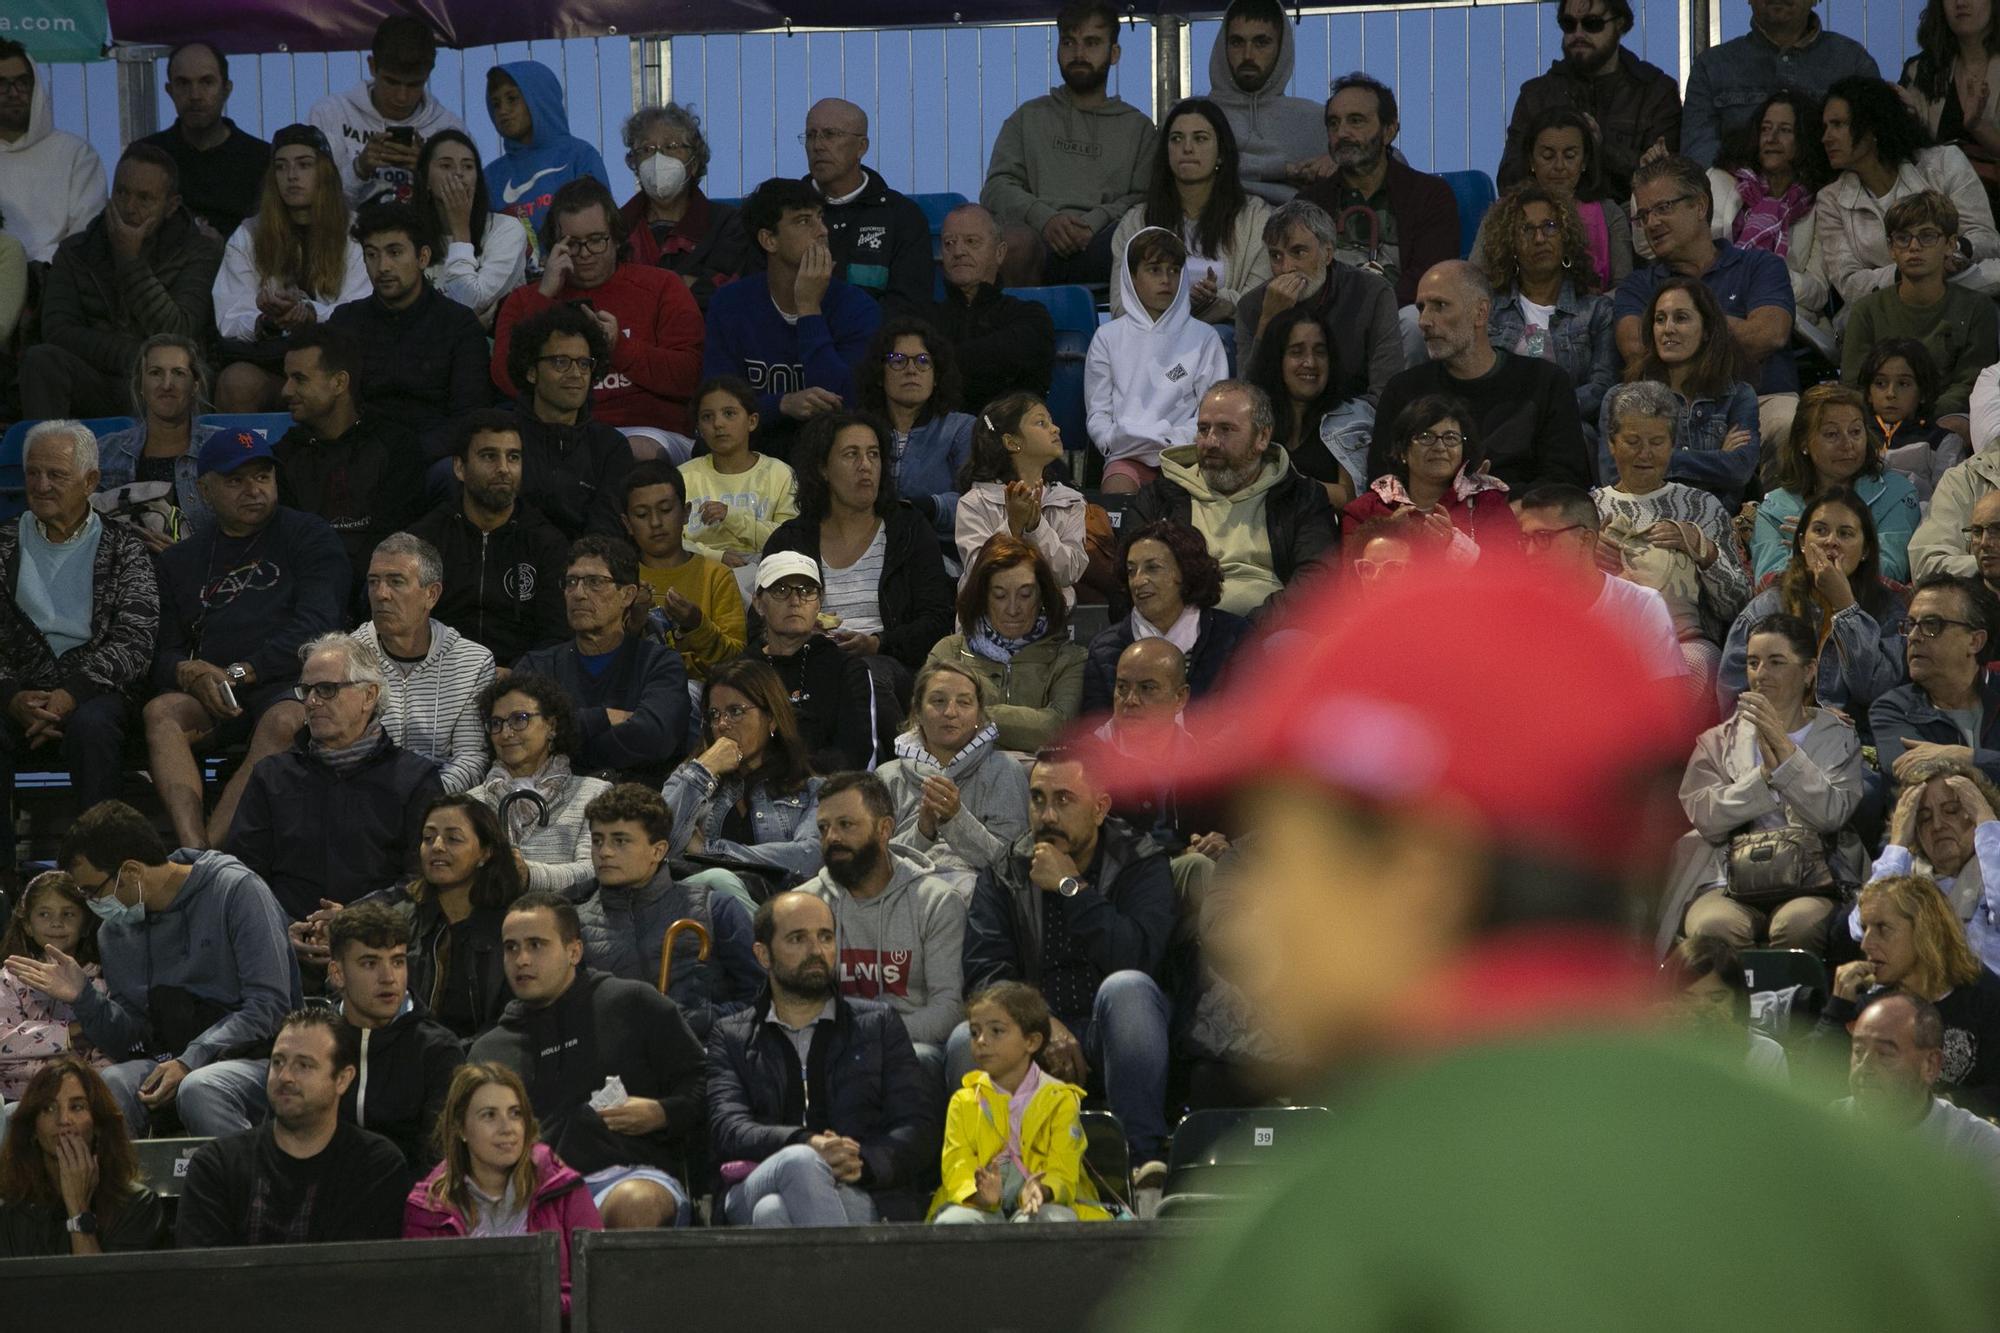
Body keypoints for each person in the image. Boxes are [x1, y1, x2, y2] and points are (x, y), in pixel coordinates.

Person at [1097, 553, 2000, 1333]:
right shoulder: (1913, 1205)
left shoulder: (1313, 1243)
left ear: (1422, 870)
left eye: (1282, 851)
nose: (1253, 916)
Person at [960, 747, 1176, 1178]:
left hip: (1112, 1030)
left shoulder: (1141, 861)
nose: (1047, 815)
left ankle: (1141, 1164)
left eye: (1063, 800)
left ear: (1099, 809)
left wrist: (1070, 886)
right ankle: (988, 1175)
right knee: (957, 1044)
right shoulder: (1006, 870)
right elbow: (985, 974)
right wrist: (1039, 1021)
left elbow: (1139, 957)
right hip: (1036, 1032)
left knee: (1127, 988)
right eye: (1038, 799)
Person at [43, 800, 301, 1140]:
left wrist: (192, 1059)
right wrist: (84, 998)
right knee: (112, 1083)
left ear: (132, 872)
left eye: (92, 891)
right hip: (171, 1060)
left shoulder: (236, 890)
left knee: (200, 1088)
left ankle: (252, 1190)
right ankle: (132, 1194)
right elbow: (135, 1040)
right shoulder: (114, 932)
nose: (90, 903)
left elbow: (269, 1005)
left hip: (263, 1058)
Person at [145, 428, 350, 849]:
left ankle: (209, 859)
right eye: (235, 481)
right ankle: (191, 848)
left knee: (284, 721)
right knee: (162, 711)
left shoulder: (308, 535)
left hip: (287, 683)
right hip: (215, 693)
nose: (253, 490)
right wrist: (188, 673)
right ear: (204, 490)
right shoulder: (181, 560)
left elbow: (318, 626)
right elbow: (160, 652)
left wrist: (239, 673)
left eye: (262, 477)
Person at [470, 891, 707, 1229]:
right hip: (522, 1193)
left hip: (622, 1176)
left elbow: (705, 1083)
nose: (521, 959)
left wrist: (663, 1113)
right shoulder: (489, 1050)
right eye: (511, 948)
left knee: (637, 1203)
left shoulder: (633, 1004)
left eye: (536, 945)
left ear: (574, 951)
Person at [706, 891, 940, 1225]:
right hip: (756, 1179)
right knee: (800, 1162)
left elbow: (917, 1126)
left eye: (826, 937)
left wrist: (864, 1162)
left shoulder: (878, 1025)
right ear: (763, 955)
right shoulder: (731, 1036)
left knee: (772, 1213)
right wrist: (807, 1144)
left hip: (860, 1186)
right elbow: (729, 1128)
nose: (816, 951)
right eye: (797, 938)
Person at [1666, 611, 1866, 953]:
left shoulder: (1837, 737)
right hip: (1727, 877)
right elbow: (1706, 818)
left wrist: (1786, 755)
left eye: (1776, 662)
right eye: (1753, 662)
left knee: (1798, 925)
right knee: (1714, 925)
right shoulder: (1716, 741)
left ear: (1809, 671)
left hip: (1814, 878)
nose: (1761, 674)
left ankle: (1796, 1005)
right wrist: (1763, 778)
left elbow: (1832, 813)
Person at [0, 423, 158, 845]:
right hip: (17, 694)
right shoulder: (3, 544)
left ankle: (98, 865)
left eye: (56, 475)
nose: (41, 485)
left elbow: (135, 640)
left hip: (95, 694)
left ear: (90, 481)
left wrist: (72, 692)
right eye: (33, 473)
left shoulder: (125, 546)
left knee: (93, 725)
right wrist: (11, 695)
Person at [224, 631, 442, 921]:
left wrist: (353, 921)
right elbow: (244, 876)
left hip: (380, 941)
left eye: (326, 689)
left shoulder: (415, 780)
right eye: (307, 690)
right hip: (284, 943)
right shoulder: (271, 776)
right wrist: (287, 931)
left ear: (369, 696)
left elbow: (423, 880)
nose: (312, 702)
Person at [22, 145, 224, 419]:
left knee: (179, 373)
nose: (129, 207)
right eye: (121, 192)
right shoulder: (76, 251)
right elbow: (59, 330)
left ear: (171, 205)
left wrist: (130, 262)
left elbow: (180, 332)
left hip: (163, 383)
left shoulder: (198, 251)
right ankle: (48, 456)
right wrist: (136, 357)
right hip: (99, 378)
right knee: (42, 360)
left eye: (144, 198)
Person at [176, 1009, 408, 1247]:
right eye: (278, 1062)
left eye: (304, 1065)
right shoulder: (216, 1166)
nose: (285, 1076)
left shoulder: (375, 1167)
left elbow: (362, 1278)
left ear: (342, 1079)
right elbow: (203, 1279)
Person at [491, 176, 705, 434]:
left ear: (615, 237)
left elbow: (690, 376)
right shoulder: (525, 300)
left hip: (645, 429)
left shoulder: (663, 286)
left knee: (630, 452)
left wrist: (620, 348)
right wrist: (544, 297)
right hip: (554, 434)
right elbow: (506, 379)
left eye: (595, 240)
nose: (584, 253)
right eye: (572, 243)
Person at [1620, 154, 1798, 452]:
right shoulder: (1638, 285)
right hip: (1673, 406)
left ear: (1700, 205)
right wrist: (1726, 328)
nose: (1651, 223)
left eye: (1663, 208)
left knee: (1787, 423)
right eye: (1643, 215)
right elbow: (1638, 351)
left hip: (1760, 399)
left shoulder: (1759, 266)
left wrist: (1688, 329)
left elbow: (1769, 334)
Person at [1370, 261, 1594, 494]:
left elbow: (1566, 485)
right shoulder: (1403, 391)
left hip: (1522, 524)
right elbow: (1383, 485)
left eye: (1440, 305)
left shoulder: (1545, 382)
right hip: (1427, 524)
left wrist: (1490, 509)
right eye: (1421, 308)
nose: (1424, 321)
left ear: (1481, 313)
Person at [799, 771, 967, 1079]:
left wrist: (869, 1035)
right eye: (823, 828)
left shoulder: (936, 902)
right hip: (828, 1045)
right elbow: (792, 1001)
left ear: (884, 829)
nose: (831, 837)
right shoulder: (805, 905)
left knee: (919, 1058)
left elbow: (948, 1009)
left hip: (911, 1044)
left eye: (845, 825)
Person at [765, 413, 958, 678]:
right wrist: (798, 633)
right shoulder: (790, 539)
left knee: (861, 675)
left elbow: (937, 619)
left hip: (887, 664)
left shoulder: (908, 528)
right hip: (804, 661)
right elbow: (761, 623)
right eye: (851, 455)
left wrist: (879, 642)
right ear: (823, 469)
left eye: (874, 454)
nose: (865, 465)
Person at [1127, 379, 1339, 618]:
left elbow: (1317, 581)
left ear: (1262, 437)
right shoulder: (1159, 497)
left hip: (1269, 637)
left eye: (1225, 429)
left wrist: (1246, 632)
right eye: (1203, 429)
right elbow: (1129, 579)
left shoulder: (1301, 496)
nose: (1210, 442)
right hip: (1180, 633)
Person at [404, 1062, 604, 1314]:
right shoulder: (427, 1208)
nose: (507, 1128)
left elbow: (600, 1290)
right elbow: (423, 1305)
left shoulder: (564, 1189)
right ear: (460, 1128)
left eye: (515, 1113)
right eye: (489, 1115)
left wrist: (530, 1302)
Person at [702, 177, 882, 455]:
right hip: (754, 449)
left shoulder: (857, 307)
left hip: (829, 453)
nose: (822, 231)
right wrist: (782, 404)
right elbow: (717, 406)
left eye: (821, 218)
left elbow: (845, 406)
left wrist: (809, 308)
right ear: (769, 240)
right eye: (803, 221)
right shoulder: (730, 305)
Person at [1592, 382, 1754, 691]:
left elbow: (1737, 604)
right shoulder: (1592, 509)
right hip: (1607, 643)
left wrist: (1702, 549)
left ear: (1672, 445)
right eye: (1632, 441)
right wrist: (1585, 555)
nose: (1645, 453)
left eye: (1657, 441)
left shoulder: (1701, 507)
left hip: (1685, 644)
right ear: (1612, 444)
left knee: (1690, 664)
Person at [981, 0, 1154, 288]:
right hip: (1036, 239)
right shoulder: (1028, 117)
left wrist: (1095, 220)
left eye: (1092, 43)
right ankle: (1021, 330)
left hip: (1106, 241)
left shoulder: (1139, 128)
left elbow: (1144, 199)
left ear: (1114, 54)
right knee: (1011, 244)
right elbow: (996, 188)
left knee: (1146, 242)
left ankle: (1137, 335)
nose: (1079, 53)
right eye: (1068, 43)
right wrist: (1046, 219)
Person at [210, 123, 372, 412]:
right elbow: (230, 316)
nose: (292, 176)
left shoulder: (355, 231)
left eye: (304, 165)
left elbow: (361, 310)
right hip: (272, 366)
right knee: (236, 382)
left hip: (335, 366)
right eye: (281, 167)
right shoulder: (249, 234)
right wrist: (266, 320)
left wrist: (311, 314)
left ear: (325, 172)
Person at [572, 783, 761, 1028]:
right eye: (597, 841)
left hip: (705, 1055)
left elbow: (762, 997)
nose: (604, 852)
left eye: (620, 841)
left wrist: (696, 1022)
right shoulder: (573, 924)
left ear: (658, 850)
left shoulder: (716, 909)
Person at [1810, 873, 2000, 1113]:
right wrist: (1836, 1009)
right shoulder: (1872, 1007)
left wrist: (1939, 1110)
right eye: (1865, 928)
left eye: (1882, 928)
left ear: (1926, 930)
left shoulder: (1987, 999)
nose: (1866, 944)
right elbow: (1814, 1086)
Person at [346, 794, 524, 1044]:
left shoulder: (511, 927)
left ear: (485, 853)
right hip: (401, 1055)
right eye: (428, 838)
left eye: (453, 838)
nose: (437, 846)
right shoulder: (398, 918)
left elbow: (513, 1018)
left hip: (483, 1062)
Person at [1719, 487, 1908, 722]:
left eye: (1845, 533)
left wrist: (1846, 607)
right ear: (1801, 542)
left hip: (1860, 741)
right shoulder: (1765, 608)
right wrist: (1807, 719)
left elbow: (1875, 692)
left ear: (1865, 550)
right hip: (1775, 738)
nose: (1831, 542)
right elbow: (1734, 705)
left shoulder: (1889, 610)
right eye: (1820, 530)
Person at [512, 535, 692, 778]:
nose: (578, 594)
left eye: (594, 582)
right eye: (571, 581)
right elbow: (518, 736)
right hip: (553, 804)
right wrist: (603, 717)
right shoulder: (538, 666)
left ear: (628, 595)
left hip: (637, 805)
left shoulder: (659, 663)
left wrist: (557, 740)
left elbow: (655, 738)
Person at [271, 326, 429, 602]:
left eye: (299, 379)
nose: (286, 390)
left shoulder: (397, 446)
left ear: (339, 383)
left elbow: (397, 539)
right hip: (308, 595)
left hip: (383, 594)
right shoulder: (283, 455)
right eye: (287, 378)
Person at [930, 981, 1107, 1224]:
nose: (981, 1040)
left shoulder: (1061, 1099)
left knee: (1048, 1221)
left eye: (996, 1031)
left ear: (1031, 1042)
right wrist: (979, 1194)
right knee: (956, 1223)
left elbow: (1063, 1167)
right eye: (974, 1032)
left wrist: (1042, 1190)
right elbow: (957, 1163)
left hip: (1042, 1196)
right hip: (981, 1201)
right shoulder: (963, 1100)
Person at [1816, 76, 2000, 307]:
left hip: (1963, 287)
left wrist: (1953, 252)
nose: (1826, 138)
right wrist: (1912, 269)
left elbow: (1987, 238)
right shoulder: (1830, 199)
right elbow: (1850, 283)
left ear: (1872, 126)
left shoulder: (1944, 162)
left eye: (1838, 125)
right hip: (1889, 305)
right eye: (1825, 127)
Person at [409, 409, 572, 668]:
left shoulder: (547, 543)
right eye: (489, 456)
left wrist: (517, 675)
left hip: (521, 682)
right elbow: (405, 627)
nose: (504, 469)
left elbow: (557, 635)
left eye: (513, 457)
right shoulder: (425, 540)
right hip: (438, 678)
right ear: (459, 467)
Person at [1839, 191, 1998, 444]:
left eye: (1927, 236)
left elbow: (1972, 383)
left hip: (1945, 420)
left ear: (1949, 244)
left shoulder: (1978, 308)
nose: (1914, 247)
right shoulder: (1866, 311)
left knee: (1961, 429)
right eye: (1903, 238)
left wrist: (1920, 417)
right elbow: (1854, 385)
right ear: (1891, 248)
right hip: (1877, 421)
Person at [327, 200, 491, 441]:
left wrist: (410, 459)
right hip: (360, 454)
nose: (382, 266)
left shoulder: (458, 324)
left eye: (395, 252)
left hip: (433, 455)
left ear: (423, 257)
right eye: (372, 255)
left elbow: (469, 415)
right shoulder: (345, 322)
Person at [1296, 71, 1459, 311]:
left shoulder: (1429, 196)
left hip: (1403, 317)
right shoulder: (1309, 204)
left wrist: (1373, 314)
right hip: (1327, 323)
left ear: (1389, 130)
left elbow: (1431, 277)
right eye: (1334, 123)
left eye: (1356, 121)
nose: (1341, 133)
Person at [323, 901, 464, 1176]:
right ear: (338, 974)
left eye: (398, 961)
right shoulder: (314, 1042)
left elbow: (440, 1163)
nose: (389, 978)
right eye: (370, 963)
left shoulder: (437, 1050)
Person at [1086, 227, 1230, 492]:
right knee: (1118, 494)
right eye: (1154, 269)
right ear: (1131, 277)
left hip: (1187, 458)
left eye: (1174, 270)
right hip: (1124, 456)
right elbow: (1098, 412)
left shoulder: (1205, 338)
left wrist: (1171, 441)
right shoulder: (1107, 337)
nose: (1166, 279)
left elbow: (1211, 412)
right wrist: (1111, 440)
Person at [354, 531, 496, 797]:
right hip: (363, 801)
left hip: (438, 804)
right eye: (374, 582)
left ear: (431, 594)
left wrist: (421, 796)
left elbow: (471, 758)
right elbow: (335, 748)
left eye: (396, 581)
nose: (381, 594)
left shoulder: (473, 662)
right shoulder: (347, 656)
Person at [662, 659, 826, 890]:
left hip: (778, 912)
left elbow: (809, 858)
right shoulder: (688, 778)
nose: (722, 724)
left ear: (771, 718)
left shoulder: (812, 789)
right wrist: (704, 770)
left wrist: (707, 851)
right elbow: (653, 846)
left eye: (735, 712)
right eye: (714, 714)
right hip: (702, 909)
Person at [1109, 96, 1272, 326]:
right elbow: (1119, 306)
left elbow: (1260, 300)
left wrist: (1217, 300)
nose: (1187, 148)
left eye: (1200, 138)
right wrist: (1182, 304)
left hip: (1226, 341)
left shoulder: (1256, 217)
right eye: (1176, 139)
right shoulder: (1137, 222)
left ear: (1221, 153)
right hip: (1153, 347)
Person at [1233, 200, 1404, 419]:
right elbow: (1248, 398)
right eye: (1276, 256)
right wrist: (1268, 321)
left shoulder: (1372, 293)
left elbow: (1386, 392)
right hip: (1282, 422)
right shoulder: (1252, 305)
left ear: (1328, 252)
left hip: (1352, 419)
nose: (1286, 268)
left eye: (1299, 252)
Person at [1497, 0, 1682, 200]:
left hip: (1636, 221)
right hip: (1553, 220)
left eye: (1592, 23)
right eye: (1568, 24)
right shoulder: (1536, 94)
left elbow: (1667, 181)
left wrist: (1601, 148)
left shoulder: (1656, 91)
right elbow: (1509, 180)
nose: (1578, 34)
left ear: (1619, 24)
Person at [1478, 184, 1619, 445]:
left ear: (1566, 236)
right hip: (1498, 429)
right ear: (1511, 244)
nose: (1540, 238)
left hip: (1566, 427)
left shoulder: (1597, 311)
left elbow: (1603, 388)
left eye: (1550, 226)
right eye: (1527, 229)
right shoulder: (1489, 310)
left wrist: (1545, 410)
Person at [877, 662, 1032, 899]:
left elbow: (1011, 867)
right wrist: (922, 831)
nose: (950, 712)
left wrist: (956, 818)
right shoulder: (887, 776)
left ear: (979, 714)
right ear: (917, 710)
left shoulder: (1004, 770)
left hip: (978, 901)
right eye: (938, 701)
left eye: (964, 702)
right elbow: (873, 867)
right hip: (902, 897)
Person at [1604, 276, 1761, 506]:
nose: (1668, 329)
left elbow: (1739, 470)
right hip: (1644, 522)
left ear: (1707, 329)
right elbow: (1613, 476)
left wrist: (1653, 462)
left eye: (1681, 318)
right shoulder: (1619, 399)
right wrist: (1717, 460)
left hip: (1715, 526)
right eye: (1660, 319)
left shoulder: (1738, 396)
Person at [927, 536, 1086, 755]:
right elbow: (929, 723)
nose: (1013, 609)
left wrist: (971, 714)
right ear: (983, 596)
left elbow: (1056, 729)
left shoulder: (1070, 659)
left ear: (1042, 595)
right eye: (1000, 595)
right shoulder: (950, 653)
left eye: (1025, 595)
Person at [1752, 383, 1922, 583]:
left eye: (1856, 431)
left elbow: (1889, 570)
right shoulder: (1774, 508)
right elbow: (1768, 579)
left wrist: (1810, 550)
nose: (1848, 444)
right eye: (1832, 434)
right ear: (1803, 442)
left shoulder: (1897, 494)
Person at [1517, 484, 1688, 682]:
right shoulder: (1521, 612)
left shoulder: (1641, 606)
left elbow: (1670, 702)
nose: (1530, 552)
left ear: (1585, 539)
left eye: (1542, 537)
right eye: (1524, 539)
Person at [1080, 519, 1252, 714]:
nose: (1138, 580)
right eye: (1131, 571)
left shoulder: (1235, 636)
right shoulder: (1105, 649)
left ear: (1186, 571)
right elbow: (1095, 729)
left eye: (1152, 568)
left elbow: (1244, 722)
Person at [501, 300, 640, 541]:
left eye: (584, 363)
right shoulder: (501, 436)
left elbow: (606, 532)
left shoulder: (609, 446)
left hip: (582, 569)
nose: (576, 374)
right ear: (531, 371)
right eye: (560, 362)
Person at [1681, 0, 1880, 169]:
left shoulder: (1853, 62)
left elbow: (1874, 147)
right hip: (1736, 208)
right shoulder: (1711, 66)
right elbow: (1699, 158)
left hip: (1835, 207)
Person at [0, 1057, 166, 1256]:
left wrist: (78, 1210)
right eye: (49, 1108)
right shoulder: (10, 1211)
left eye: (77, 1107)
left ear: (97, 1124)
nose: (63, 1120)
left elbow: (96, 1287)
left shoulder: (138, 1206)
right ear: (33, 1128)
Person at [1700, 91, 1835, 333]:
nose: (1771, 138)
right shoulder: (1720, 181)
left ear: (1804, 139)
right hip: (1712, 304)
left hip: (1785, 319)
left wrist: (1763, 274)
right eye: (1765, 129)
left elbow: (1818, 292)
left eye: (1784, 130)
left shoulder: (1822, 202)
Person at [471, 673, 611, 896]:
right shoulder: (471, 803)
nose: (505, 733)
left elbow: (596, 870)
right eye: (496, 723)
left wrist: (529, 875)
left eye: (520, 719)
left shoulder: (594, 794)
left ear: (551, 725)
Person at [1840, 991, 2000, 1183]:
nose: (1865, 1066)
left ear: (1931, 1065)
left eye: (1884, 1054)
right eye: (1858, 1050)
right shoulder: (1820, 1131)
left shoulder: (1978, 1149)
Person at [742, 552, 879, 774]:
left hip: (825, 795)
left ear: (819, 604)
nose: (795, 601)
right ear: (758, 604)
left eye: (807, 591)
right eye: (781, 590)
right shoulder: (741, 672)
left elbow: (856, 755)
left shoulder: (847, 669)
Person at [307, 16, 464, 208]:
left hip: (425, 237)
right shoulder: (329, 114)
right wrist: (359, 169)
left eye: (414, 84)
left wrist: (427, 172)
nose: (401, 97)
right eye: (391, 82)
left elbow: (467, 210)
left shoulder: (449, 129)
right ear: (372, 66)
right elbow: (310, 203)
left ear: (430, 72)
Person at [1343, 395, 1520, 562]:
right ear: (1402, 451)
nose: (1440, 447)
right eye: (1426, 437)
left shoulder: (1488, 504)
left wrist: (1455, 546)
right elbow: (1350, 581)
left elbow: (1511, 576)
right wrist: (1390, 536)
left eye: (1451, 438)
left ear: (1463, 450)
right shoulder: (1365, 510)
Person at [953, 394, 1088, 605]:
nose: (1055, 429)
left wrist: (1036, 527)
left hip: (1050, 628)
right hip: (988, 626)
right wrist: (1012, 527)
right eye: (1041, 423)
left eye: (1051, 422)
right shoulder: (976, 502)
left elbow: (1069, 572)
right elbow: (978, 572)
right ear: (1012, 442)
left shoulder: (1069, 501)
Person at [1866, 761, 2000, 971]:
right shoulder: (1907, 876)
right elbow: (1863, 925)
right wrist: (1898, 842)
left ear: (1976, 815)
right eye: (1924, 818)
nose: (1937, 825)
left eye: (1951, 810)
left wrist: (1987, 820)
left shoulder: (1993, 867)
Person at [922, 204, 1056, 412]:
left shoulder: (1030, 316)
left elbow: (1005, 360)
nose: (958, 251)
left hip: (1007, 436)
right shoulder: (924, 319)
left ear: (1000, 252)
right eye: (949, 243)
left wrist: (937, 363)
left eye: (971, 242)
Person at [1482, 106, 1633, 291]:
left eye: (1570, 156)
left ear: (1584, 162)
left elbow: (1625, 289)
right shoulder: (1502, 214)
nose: (1559, 166)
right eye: (1548, 156)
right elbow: (1475, 282)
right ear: (1531, 160)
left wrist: (1591, 310)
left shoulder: (1610, 213)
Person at [801, 97, 933, 308]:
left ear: (861, 147)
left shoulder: (902, 216)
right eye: (811, 135)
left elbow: (909, 305)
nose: (818, 145)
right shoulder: (782, 213)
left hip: (876, 339)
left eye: (830, 135)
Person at [1871, 573, 2000, 788]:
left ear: (1975, 641)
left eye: (1932, 625)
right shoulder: (1893, 708)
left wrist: (1962, 756)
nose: (1913, 636)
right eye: (1910, 625)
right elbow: (1916, 775)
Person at [617, 102, 750, 310]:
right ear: (634, 163)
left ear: (694, 163)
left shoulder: (727, 224)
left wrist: (644, 289)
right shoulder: (616, 228)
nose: (657, 158)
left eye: (671, 147)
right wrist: (683, 283)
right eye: (646, 149)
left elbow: (724, 295)